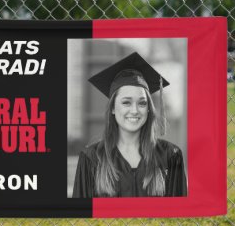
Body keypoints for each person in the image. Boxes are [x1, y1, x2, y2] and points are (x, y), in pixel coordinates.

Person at [72, 52, 187, 198]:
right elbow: (81, 218)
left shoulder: (170, 155)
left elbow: (180, 217)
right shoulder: (92, 158)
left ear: (149, 108)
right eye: (126, 102)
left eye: (142, 103)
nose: (135, 110)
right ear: (113, 108)